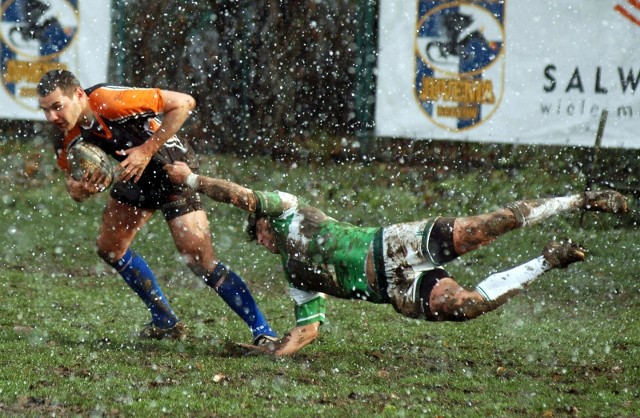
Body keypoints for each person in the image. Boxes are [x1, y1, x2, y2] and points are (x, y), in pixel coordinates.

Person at [164, 161, 628, 356]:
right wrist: (272, 352)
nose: (262, 239)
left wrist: (193, 181)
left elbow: (242, 195)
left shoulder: (285, 209)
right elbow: (309, 328)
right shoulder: (295, 274)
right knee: (466, 307)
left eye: (259, 232)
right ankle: (549, 260)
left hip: (392, 245)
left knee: (488, 227)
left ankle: (580, 200)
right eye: (259, 239)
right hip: (395, 291)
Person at [37, 69, 277, 345]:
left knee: (201, 261)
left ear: (79, 95)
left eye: (57, 107)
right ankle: (165, 322)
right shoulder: (63, 133)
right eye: (45, 110)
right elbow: (73, 183)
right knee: (110, 248)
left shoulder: (108, 101)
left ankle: (264, 332)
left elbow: (184, 103)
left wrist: (147, 149)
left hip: (170, 167)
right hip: (134, 174)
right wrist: (79, 190)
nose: (52, 117)